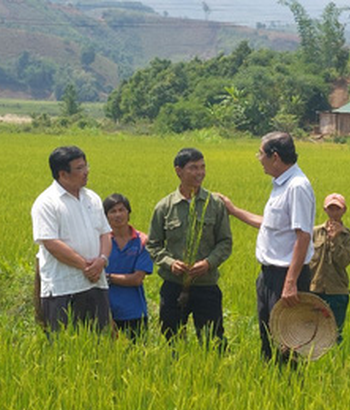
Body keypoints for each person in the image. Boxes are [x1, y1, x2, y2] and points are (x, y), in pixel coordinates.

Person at [218, 131, 315, 362]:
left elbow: (303, 236)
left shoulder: (297, 186)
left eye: (260, 153)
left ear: (275, 156)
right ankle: (274, 383)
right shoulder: (281, 184)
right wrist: (233, 210)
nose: (258, 158)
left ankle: (289, 389)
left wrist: (291, 283)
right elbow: (271, 225)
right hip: (269, 275)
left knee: (287, 344)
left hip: (286, 276)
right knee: (268, 337)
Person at [146, 148, 232, 348]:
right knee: (172, 340)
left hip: (206, 285)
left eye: (202, 167)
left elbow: (225, 242)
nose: (199, 172)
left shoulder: (215, 205)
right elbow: (153, 244)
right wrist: (170, 263)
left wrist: (208, 263)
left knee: (213, 341)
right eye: (193, 168)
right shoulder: (165, 207)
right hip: (173, 286)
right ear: (178, 171)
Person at [31, 145, 112, 333]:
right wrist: (85, 266)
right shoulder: (47, 202)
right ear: (63, 174)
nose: (86, 172)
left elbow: (105, 234)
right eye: (79, 168)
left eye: (86, 166)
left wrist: (101, 261)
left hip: (96, 283)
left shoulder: (92, 198)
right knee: (65, 346)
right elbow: (51, 243)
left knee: (100, 342)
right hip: (63, 287)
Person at [103, 193, 154, 342]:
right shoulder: (100, 243)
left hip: (135, 312)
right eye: (112, 211)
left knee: (137, 356)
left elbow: (137, 279)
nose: (118, 215)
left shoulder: (142, 242)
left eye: (121, 210)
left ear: (128, 213)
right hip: (107, 312)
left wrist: (107, 277)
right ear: (105, 217)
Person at [309, 193, 350, 344]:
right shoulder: (314, 233)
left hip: (337, 291)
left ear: (344, 210)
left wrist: (335, 239)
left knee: (335, 334)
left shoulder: (349, 236)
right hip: (314, 290)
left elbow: (343, 262)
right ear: (325, 210)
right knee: (310, 332)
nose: (334, 212)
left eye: (338, 209)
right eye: (331, 209)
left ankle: (334, 364)